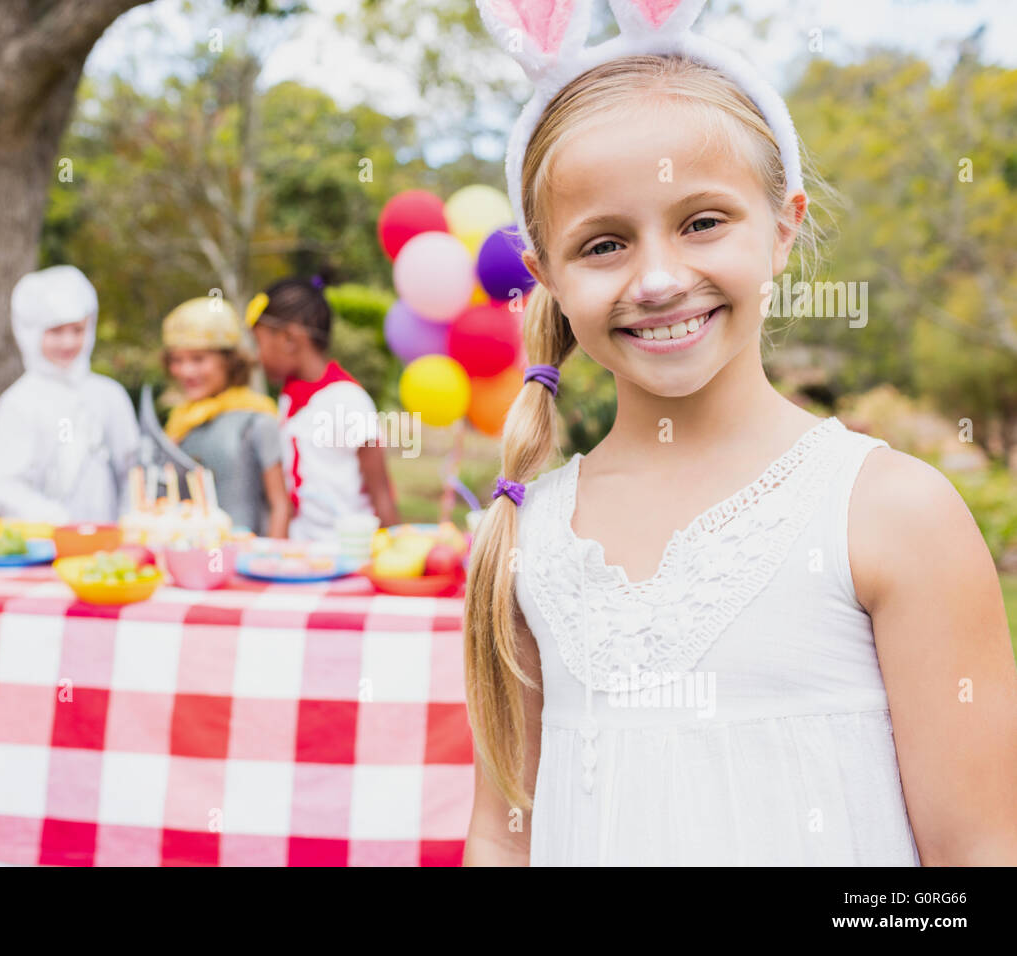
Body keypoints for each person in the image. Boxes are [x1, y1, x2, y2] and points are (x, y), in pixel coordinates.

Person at [463, 0, 1017, 866]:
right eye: (604, 244)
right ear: (544, 276)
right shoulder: (525, 534)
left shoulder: (890, 513)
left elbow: (979, 855)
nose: (656, 279)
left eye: (702, 222)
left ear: (783, 228)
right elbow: (502, 835)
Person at [0, 265, 140, 524]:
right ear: (30, 333)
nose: (68, 343)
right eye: (55, 331)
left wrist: (130, 526)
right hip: (42, 547)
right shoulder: (18, 402)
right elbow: (4, 487)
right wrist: (58, 521)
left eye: (77, 330)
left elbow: (132, 474)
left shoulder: (109, 395)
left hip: (109, 547)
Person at [247, 276, 400, 541]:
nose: (256, 356)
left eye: (258, 343)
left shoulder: (348, 400)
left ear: (288, 339)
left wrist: (397, 554)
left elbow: (381, 494)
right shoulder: (289, 399)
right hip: (304, 553)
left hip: (347, 553)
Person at [159, 296, 289, 536]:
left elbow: (280, 505)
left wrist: (271, 560)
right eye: (177, 360)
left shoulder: (257, 419)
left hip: (245, 560)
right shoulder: (181, 421)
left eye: (198, 359)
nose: (186, 371)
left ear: (230, 361)